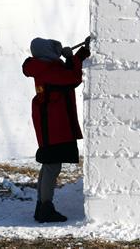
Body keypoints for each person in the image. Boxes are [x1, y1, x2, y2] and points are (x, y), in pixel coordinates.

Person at [22, 36, 91, 223]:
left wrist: (82, 52)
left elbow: (68, 71)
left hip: (52, 123)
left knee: (49, 165)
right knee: (52, 165)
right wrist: (71, 58)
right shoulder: (46, 69)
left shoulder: (43, 67)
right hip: (53, 124)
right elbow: (72, 78)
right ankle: (45, 207)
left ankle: (42, 206)